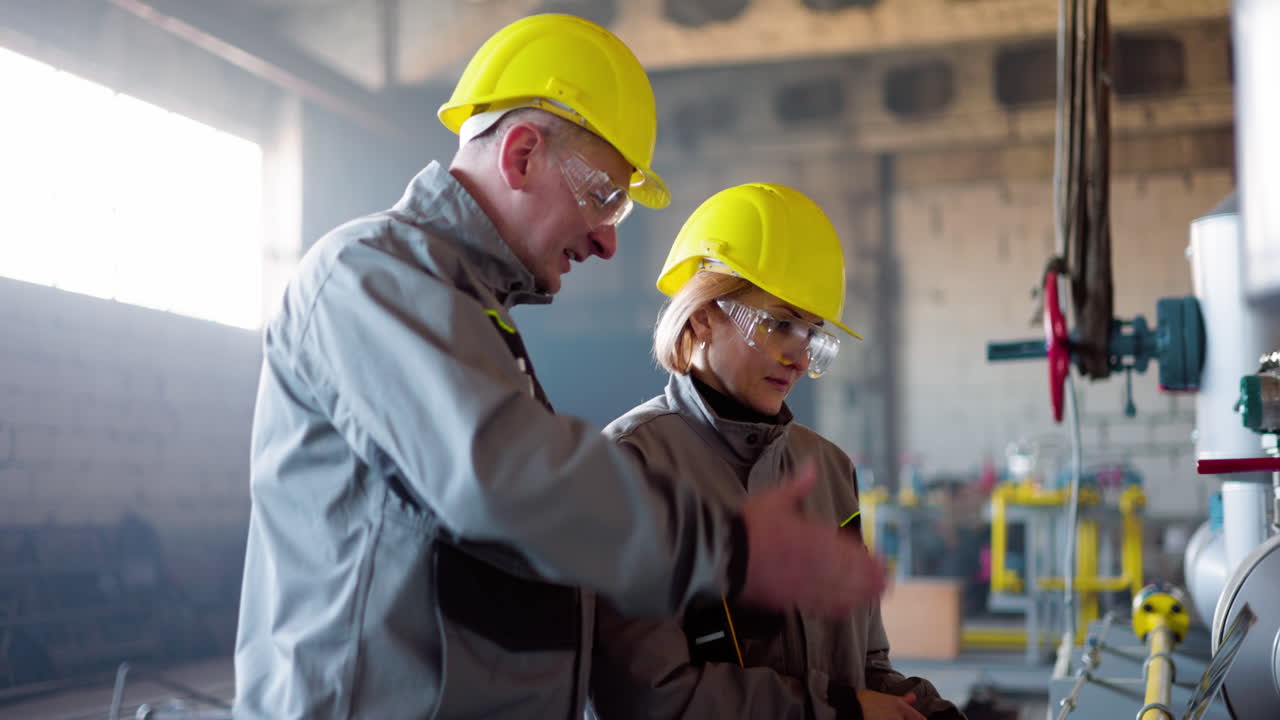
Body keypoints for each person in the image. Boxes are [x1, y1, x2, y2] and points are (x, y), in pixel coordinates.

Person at [233, 15, 885, 719]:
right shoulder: (370, 278)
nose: (608, 241)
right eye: (606, 198)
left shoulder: (469, 317)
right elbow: (504, 481)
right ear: (520, 156)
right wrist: (729, 545)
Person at [589, 183, 966, 720]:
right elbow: (648, 695)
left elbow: (863, 664)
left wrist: (922, 707)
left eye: (813, 334)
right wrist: (839, 710)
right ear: (702, 315)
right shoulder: (632, 464)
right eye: (779, 323)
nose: (798, 356)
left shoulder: (829, 469)